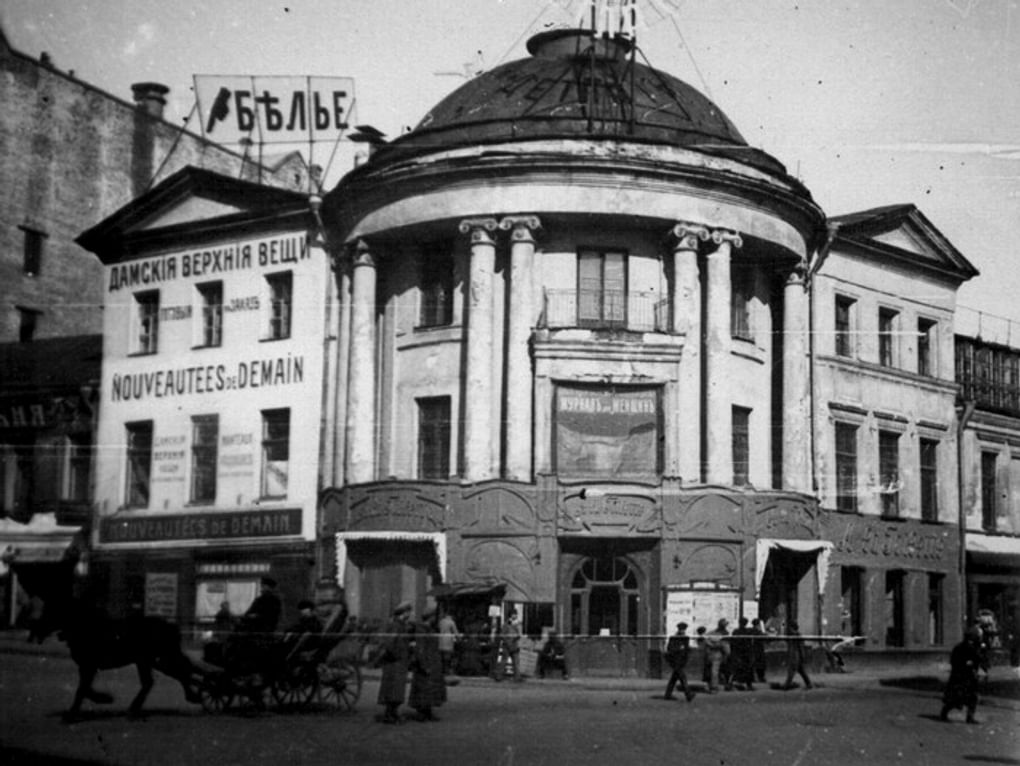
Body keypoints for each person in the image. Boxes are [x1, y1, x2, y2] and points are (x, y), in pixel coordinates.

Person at [376, 601, 414, 724]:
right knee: (393, 690)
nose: (409, 614)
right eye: (408, 612)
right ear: (403, 613)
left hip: (399, 662)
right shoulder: (396, 626)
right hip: (395, 662)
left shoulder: (400, 625)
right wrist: (398, 656)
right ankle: (389, 715)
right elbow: (390, 644)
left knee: (396, 691)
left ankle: (392, 714)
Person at [940, 626, 987, 723]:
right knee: (962, 697)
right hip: (963, 676)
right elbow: (977, 658)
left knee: (967, 697)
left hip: (964, 676)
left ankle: (967, 716)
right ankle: (947, 712)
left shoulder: (963, 646)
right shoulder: (968, 647)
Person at [408, 605, 447, 721]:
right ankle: (422, 713)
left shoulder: (430, 629)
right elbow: (420, 649)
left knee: (431, 689)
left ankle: (428, 711)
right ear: (431, 617)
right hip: (426, 663)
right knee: (423, 689)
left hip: (433, 663)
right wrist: (424, 664)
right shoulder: (422, 630)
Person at [663, 622, 695, 701]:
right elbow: (670, 649)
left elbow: (686, 650)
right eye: (681, 629)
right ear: (678, 629)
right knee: (682, 678)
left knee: (674, 679)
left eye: (684, 630)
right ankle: (688, 694)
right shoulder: (673, 638)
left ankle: (668, 694)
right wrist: (679, 649)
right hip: (675, 661)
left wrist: (687, 651)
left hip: (681, 661)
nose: (682, 631)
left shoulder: (686, 638)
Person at [782, 620, 813, 690]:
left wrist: (802, 656)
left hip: (795, 656)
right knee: (801, 671)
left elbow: (800, 647)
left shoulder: (796, 636)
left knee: (792, 671)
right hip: (796, 655)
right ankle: (808, 683)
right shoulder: (795, 635)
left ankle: (787, 685)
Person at [705, 619, 732, 692]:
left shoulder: (711, 633)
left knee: (711, 670)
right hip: (719, 654)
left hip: (710, 654)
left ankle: (711, 684)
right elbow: (726, 648)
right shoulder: (725, 634)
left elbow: (706, 640)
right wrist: (727, 655)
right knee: (715, 671)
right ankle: (714, 686)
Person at [495, 611, 522, 682]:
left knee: (516, 662)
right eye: (514, 614)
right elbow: (502, 635)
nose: (515, 616)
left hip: (514, 645)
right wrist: (507, 642)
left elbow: (519, 634)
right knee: (504, 661)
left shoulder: (517, 624)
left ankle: (517, 677)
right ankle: (499, 676)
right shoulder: (506, 624)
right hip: (507, 645)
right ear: (511, 615)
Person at [729, 617, 755, 690]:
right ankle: (748, 684)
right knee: (748, 669)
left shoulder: (736, 631)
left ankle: (733, 683)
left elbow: (733, 642)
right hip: (745, 653)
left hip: (738, 652)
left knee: (737, 669)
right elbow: (750, 643)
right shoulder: (748, 632)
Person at [437, 609, 461, 676]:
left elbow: (438, 629)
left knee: (442, 658)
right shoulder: (451, 622)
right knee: (448, 658)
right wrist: (459, 639)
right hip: (448, 641)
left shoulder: (441, 621)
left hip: (441, 640)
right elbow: (456, 632)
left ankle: (441, 671)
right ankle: (447, 672)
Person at [751, 617, 768, 682]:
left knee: (755, 664)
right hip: (758, 649)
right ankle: (761, 677)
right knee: (760, 664)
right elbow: (764, 637)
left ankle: (755, 677)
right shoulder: (757, 631)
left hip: (754, 649)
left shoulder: (752, 630)